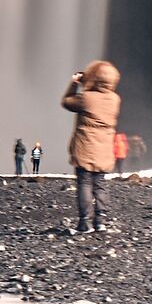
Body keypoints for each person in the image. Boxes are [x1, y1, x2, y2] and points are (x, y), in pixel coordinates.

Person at [62, 60, 121, 234]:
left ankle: (84, 222)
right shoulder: (115, 99)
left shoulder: (86, 98)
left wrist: (75, 84)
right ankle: (101, 221)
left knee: (84, 183)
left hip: (85, 147)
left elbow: (66, 102)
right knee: (100, 184)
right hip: (105, 149)